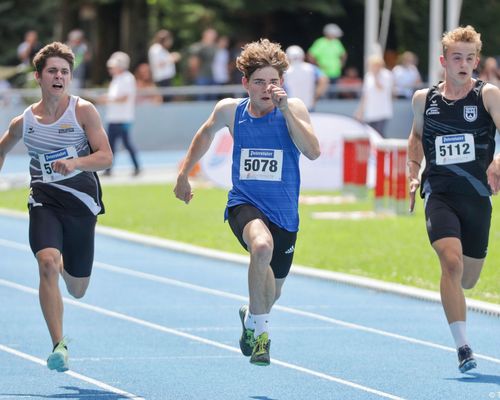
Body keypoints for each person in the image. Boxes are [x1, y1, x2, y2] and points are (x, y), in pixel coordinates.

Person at [174, 38, 321, 366]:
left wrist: (286, 112)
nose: (267, 88)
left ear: (281, 84)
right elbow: (205, 134)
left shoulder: (292, 109)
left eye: (273, 81)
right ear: (246, 84)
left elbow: (312, 151)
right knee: (261, 248)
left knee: (271, 293)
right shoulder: (231, 109)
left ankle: (251, 318)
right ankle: (262, 338)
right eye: (259, 82)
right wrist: (184, 174)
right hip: (246, 203)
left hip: (284, 213)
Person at [0, 42, 112, 372]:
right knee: (47, 263)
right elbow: (2, 148)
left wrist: (75, 162)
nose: (59, 76)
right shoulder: (24, 122)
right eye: (52, 71)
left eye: (65, 71)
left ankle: (66, 260)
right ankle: (58, 345)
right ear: (38, 76)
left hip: (80, 205)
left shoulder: (83, 111)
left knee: (77, 288)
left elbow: (105, 157)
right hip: (44, 201)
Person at [407, 25, 500, 373]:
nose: (464, 64)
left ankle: (455, 293)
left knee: (468, 277)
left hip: (477, 197)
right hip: (440, 192)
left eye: (470, 58)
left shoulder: (488, 95)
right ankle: (463, 347)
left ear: (476, 61)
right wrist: (414, 170)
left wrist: (497, 157)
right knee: (450, 261)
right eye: (457, 58)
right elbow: (415, 137)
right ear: (444, 61)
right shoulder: (424, 99)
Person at [102, 51, 140, 176]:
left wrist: (107, 99)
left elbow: (124, 97)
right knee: (111, 144)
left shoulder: (127, 78)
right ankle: (109, 169)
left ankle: (136, 167)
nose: (111, 69)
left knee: (126, 144)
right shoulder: (117, 79)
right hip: (114, 117)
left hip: (123, 118)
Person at [354, 54, 394, 137]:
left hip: (382, 112)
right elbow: (365, 95)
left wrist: (376, 76)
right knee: (371, 136)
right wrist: (360, 111)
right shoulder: (368, 76)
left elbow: (381, 88)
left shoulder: (387, 75)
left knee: (379, 135)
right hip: (370, 112)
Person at [284, 45, 329, 111]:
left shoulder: (285, 71)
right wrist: (316, 96)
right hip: (309, 104)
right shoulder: (312, 68)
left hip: (291, 105)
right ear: (303, 56)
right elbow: (324, 80)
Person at [307, 23, 347, 96]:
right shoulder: (320, 42)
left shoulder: (336, 42)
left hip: (335, 74)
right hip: (323, 74)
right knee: (323, 95)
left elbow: (343, 54)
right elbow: (310, 55)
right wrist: (318, 66)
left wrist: (341, 65)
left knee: (333, 96)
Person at [148, 29, 181, 102]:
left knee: (168, 101)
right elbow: (158, 64)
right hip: (162, 80)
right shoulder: (156, 49)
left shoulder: (162, 50)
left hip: (166, 80)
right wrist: (172, 58)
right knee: (165, 102)